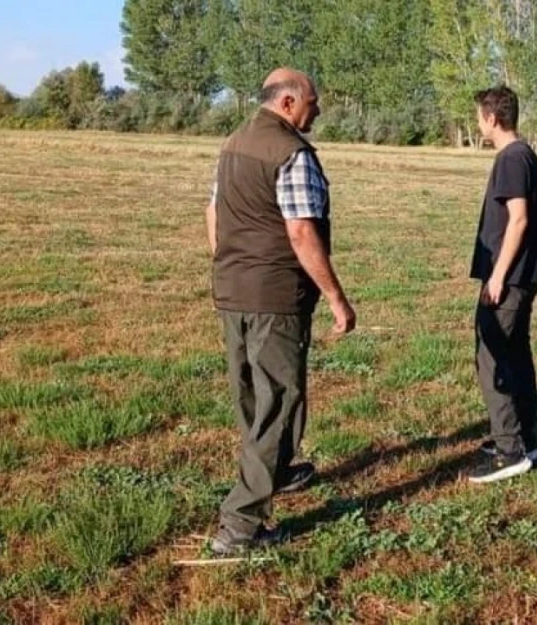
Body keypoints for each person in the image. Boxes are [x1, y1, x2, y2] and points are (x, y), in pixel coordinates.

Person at [204, 68, 356, 555]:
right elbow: (300, 232)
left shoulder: (233, 143)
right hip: (275, 296)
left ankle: (279, 471)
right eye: (314, 101)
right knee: (282, 402)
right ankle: (241, 524)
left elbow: (213, 212)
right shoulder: (292, 152)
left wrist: (230, 263)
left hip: (233, 289)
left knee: (252, 394)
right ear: (289, 102)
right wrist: (335, 297)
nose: (319, 109)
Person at [466, 85, 537, 484]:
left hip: (509, 280)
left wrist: (497, 275)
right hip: (520, 278)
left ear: (492, 118)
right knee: (515, 356)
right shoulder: (524, 155)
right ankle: (525, 438)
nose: (478, 123)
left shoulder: (511, 159)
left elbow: (518, 219)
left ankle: (509, 449)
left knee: (493, 359)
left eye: (479, 116)